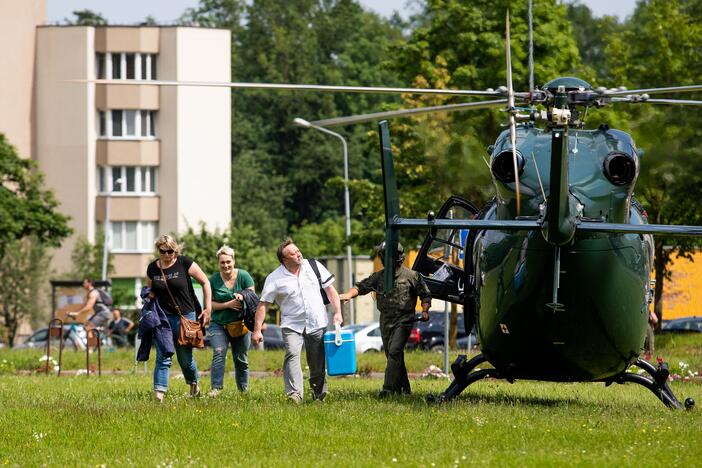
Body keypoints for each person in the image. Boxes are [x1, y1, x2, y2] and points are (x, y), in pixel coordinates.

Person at [251, 238, 342, 404]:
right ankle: (295, 395)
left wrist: (337, 312)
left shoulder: (314, 266)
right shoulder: (274, 278)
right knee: (292, 354)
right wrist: (257, 330)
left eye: (298, 250)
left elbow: (330, 290)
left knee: (316, 362)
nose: (298, 254)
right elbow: (263, 305)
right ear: (285, 259)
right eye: (293, 253)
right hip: (292, 325)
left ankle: (318, 395)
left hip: (317, 322)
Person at [339, 241, 431, 398]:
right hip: (386, 320)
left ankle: (387, 390)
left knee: (395, 351)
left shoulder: (411, 276)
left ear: (398, 257)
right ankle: (404, 389)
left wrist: (424, 310)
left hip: (404, 319)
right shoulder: (379, 277)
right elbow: (361, 287)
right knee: (393, 355)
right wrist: (348, 295)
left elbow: (425, 294)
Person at [146, 234, 212, 402]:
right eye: (164, 251)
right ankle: (159, 394)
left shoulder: (184, 263)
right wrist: (147, 299)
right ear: (158, 250)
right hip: (163, 318)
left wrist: (208, 308)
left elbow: (205, 282)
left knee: (185, 359)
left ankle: (194, 384)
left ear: (175, 250)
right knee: (163, 356)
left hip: (186, 316)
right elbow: (151, 290)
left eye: (171, 251)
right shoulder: (152, 269)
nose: (168, 255)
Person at [208, 245, 256, 396]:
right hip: (219, 324)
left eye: (228, 261)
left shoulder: (244, 275)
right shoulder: (213, 280)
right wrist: (227, 305)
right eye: (222, 262)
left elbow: (253, 296)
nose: (226, 265)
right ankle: (216, 388)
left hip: (240, 324)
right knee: (219, 352)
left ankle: (243, 391)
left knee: (241, 359)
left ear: (233, 261)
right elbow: (209, 304)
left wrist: (243, 295)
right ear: (218, 263)